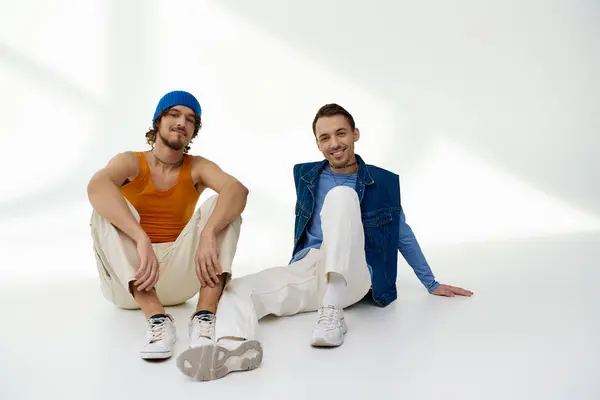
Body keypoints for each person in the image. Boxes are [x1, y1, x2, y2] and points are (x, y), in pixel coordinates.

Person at [174, 103, 473, 381]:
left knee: (341, 197)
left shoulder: (381, 183)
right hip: (310, 266)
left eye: (341, 133)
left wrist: (430, 282)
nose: (334, 143)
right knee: (238, 289)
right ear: (318, 144)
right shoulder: (308, 176)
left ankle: (331, 314)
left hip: (355, 273)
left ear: (355, 134)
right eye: (325, 138)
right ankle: (232, 347)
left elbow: (402, 234)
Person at [87, 90, 250, 360]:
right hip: (129, 282)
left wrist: (208, 233)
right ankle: (158, 321)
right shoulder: (131, 161)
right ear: (158, 121)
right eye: (174, 114)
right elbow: (96, 186)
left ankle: (204, 318)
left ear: (193, 130)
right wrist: (141, 238)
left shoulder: (196, 167)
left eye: (190, 119)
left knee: (224, 207)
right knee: (103, 211)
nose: (181, 123)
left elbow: (237, 190)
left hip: (178, 277)